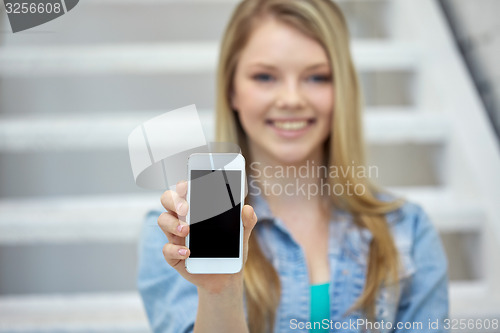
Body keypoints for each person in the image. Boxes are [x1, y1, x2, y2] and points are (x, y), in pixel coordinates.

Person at [137, 0, 449, 332]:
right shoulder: (178, 232)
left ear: (342, 89)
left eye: (316, 77)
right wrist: (219, 292)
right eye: (265, 76)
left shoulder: (408, 232)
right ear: (232, 90)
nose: (291, 99)